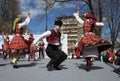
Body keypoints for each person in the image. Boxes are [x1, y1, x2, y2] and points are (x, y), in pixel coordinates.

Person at [73, 5, 112, 71]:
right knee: (92, 46)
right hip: (91, 36)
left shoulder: (84, 22)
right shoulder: (92, 22)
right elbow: (99, 24)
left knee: (82, 46)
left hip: (86, 36)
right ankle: (87, 60)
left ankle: (79, 54)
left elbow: (77, 18)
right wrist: (102, 23)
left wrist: (78, 11)